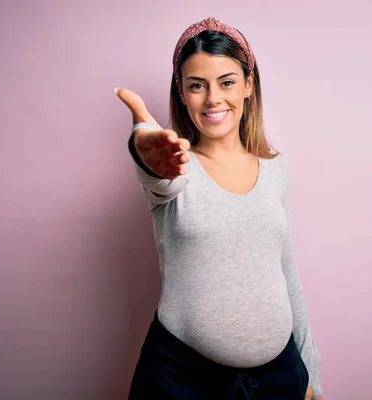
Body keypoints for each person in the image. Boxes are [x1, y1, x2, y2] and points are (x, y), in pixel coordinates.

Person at [115, 17, 323, 400]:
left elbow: (286, 270)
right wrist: (143, 145)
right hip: (181, 381)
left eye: (226, 82)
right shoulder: (174, 167)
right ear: (180, 92)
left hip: (278, 379)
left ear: (248, 85)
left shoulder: (277, 168)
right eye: (197, 85)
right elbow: (156, 173)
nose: (212, 98)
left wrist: (310, 369)